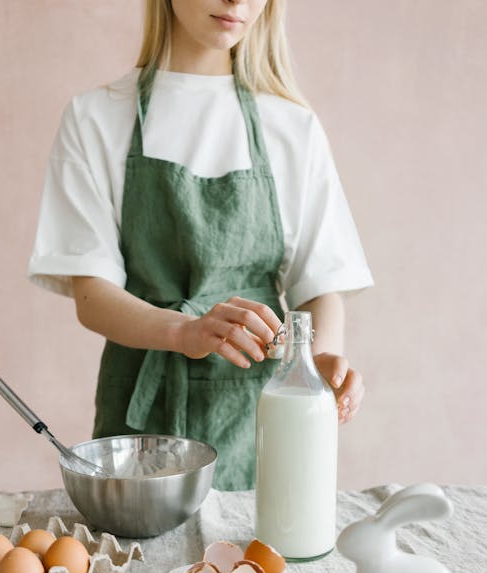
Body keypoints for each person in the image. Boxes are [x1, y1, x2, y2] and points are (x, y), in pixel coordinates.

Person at [28, 0, 374, 490]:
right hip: (138, 420)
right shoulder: (96, 117)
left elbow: (319, 286)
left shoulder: (293, 127)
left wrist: (314, 366)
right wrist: (185, 332)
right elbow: (92, 295)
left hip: (260, 418)